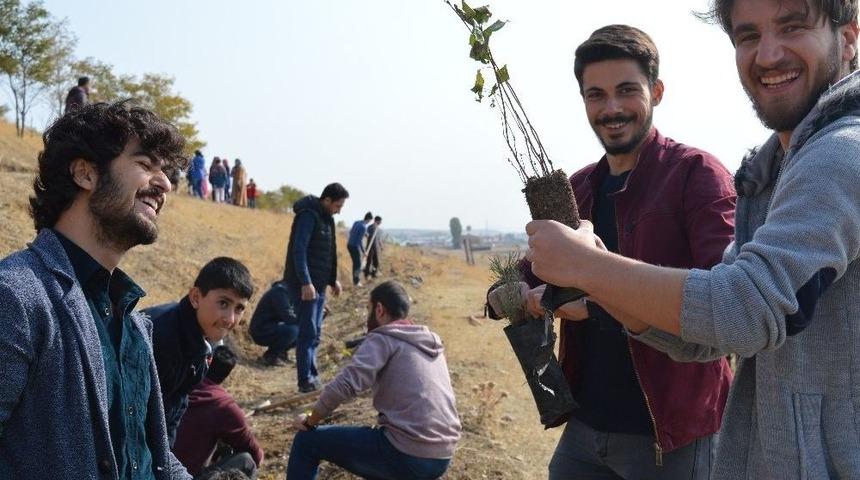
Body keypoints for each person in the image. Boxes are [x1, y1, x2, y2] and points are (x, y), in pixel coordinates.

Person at [525, 2, 860, 478]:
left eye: (792, 26)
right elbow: (707, 336)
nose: (767, 55)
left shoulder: (838, 155)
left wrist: (587, 270)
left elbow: (742, 308)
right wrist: (582, 277)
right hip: (590, 421)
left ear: (848, 39)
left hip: (675, 434)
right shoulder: (773, 171)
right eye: (747, 36)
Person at [491, 25, 736, 479]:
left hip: (673, 434)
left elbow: (722, 305)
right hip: (585, 427)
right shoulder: (577, 189)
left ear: (657, 91)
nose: (611, 109)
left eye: (627, 91)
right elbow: (529, 274)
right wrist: (507, 295)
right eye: (595, 95)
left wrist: (592, 305)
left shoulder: (697, 176)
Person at [0, 101, 190, 478]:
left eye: (165, 170)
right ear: (85, 174)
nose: (165, 183)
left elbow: (151, 456)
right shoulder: (17, 296)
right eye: (145, 164)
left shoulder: (133, 322)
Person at [288, 281, 461, 480]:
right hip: (443, 456)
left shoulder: (383, 338)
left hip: (407, 453)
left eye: (368, 309)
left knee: (306, 442)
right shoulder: (430, 341)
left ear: (379, 310)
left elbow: (346, 385)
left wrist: (310, 420)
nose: (366, 317)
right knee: (376, 456)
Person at [144, 257, 255, 447]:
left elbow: (175, 407)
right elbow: (134, 414)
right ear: (195, 297)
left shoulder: (203, 340)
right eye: (223, 303)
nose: (230, 319)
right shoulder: (163, 338)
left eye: (239, 308)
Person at [282, 182, 348, 392]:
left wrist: (332, 279)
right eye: (337, 205)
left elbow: (328, 252)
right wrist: (305, 282)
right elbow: (299, 251)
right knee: (307, 333)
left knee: (316, 333)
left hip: (318, 285)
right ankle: (305, 380)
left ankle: (313, 375)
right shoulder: (308, 216)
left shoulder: (327, 218)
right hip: (305, 286)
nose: (339, 210)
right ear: (326, 200)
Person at [173, 345, 264, 480]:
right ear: (227, 374)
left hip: (160, 469)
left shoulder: (179, 381)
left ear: (207, 361)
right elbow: (255, 454)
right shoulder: (222, 404)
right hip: (185, 475)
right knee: (247, 461)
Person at [249, 280, 299, 366]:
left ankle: (281, 353)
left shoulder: (289, 292)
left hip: (270, 327)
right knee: (294, 330)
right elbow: (288, 317)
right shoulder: (280, 292)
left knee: (303, 328)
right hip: (260, 330)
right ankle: (271, 356)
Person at [347, 212, 374, 286]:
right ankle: (356, 282)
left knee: (356, 263)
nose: (369, 222)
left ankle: (355, 280)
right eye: (370, 221)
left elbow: (351, 232)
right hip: (355, 247)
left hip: (349, 245)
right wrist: (364, 251)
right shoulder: (363, 227)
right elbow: (359, 242)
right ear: (369, 219)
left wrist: (364, 233)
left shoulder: (356, 222)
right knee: (358, 264)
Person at [363, 215, 383, 280]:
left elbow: (379, 239)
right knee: (369, 261)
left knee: (375, 261)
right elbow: (366, 235)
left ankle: (374, 273)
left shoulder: (379, 230)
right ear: (377, 221)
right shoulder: (370, 228)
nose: (380, 223)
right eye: (380, 221)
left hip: (376, 248)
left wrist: (381, 246)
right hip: (370, 247)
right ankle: (367, 274)